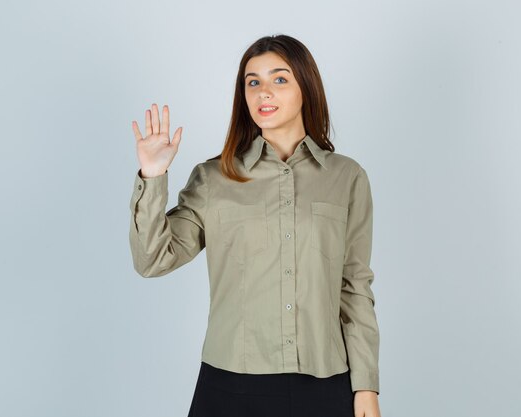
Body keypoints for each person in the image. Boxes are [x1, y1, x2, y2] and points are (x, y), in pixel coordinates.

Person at [128, 34, 382, 417]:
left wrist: (366, 387)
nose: (264, 92)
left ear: (306, 88)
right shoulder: (214, 178)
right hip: (231, 386)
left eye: (279, 79)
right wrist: (152, 174)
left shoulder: (346, 177)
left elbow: (354, 286)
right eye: (253, 82)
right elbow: (152, 260)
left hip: (324, 385)